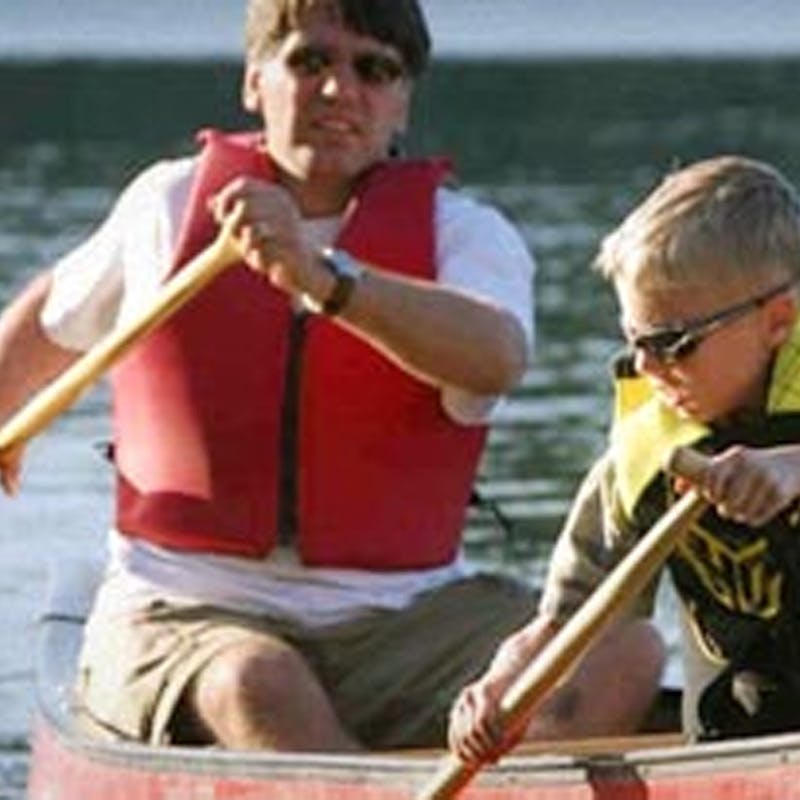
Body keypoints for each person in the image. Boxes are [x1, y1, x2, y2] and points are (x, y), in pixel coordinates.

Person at [0, 0, 542, 752]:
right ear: (256, 80)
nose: (338, 90)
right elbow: (46, 321)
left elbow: (496, 356)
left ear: (402, 99)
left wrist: (326, 278)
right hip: (185, 611)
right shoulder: (170, 202)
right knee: (260, 685)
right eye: (310, 61)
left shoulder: (468, 236)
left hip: (406, 621)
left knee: (617, 653)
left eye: (373, 69)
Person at [448, 154, 800, 764]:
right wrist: (499, 688)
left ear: (779, 321)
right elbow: (562, 623)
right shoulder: (647, 454)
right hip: (740, 742)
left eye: (671, 344)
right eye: (635, 342)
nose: (645, 367)